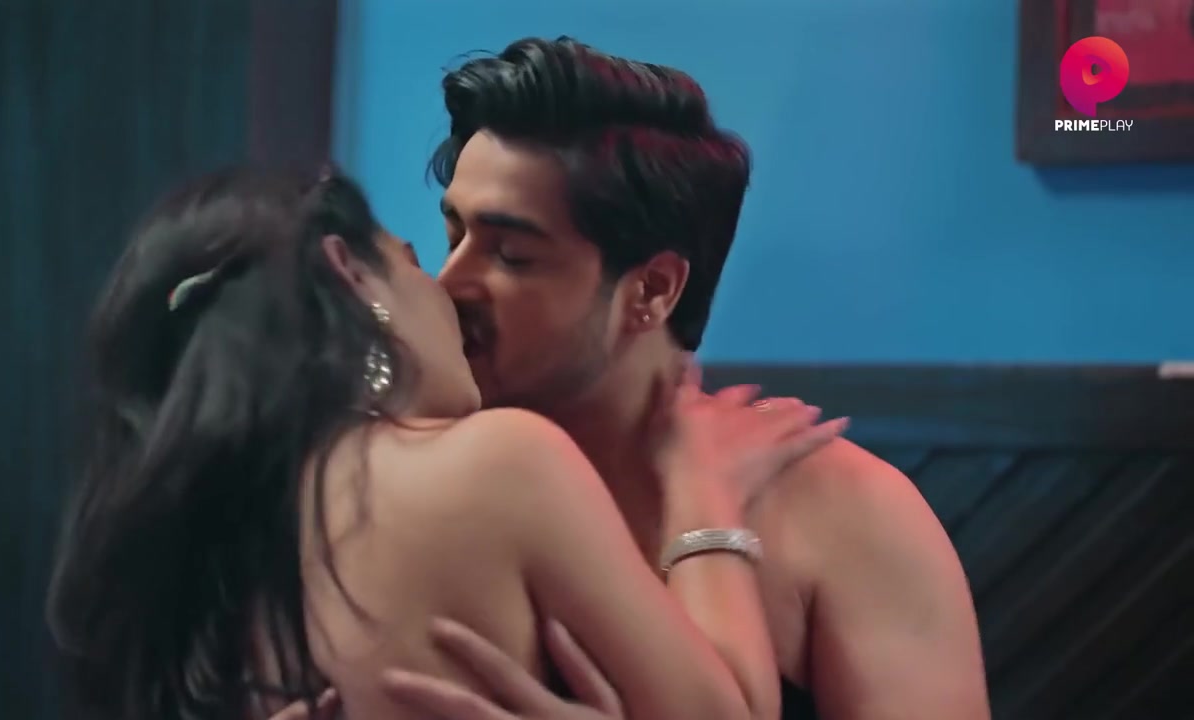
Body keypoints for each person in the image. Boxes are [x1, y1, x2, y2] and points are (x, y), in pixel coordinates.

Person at [280, 35, 991, 720]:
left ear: (652, 289)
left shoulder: (843, 512)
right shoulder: (412, 486)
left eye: (512, 256)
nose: (450, 282)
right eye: (453, 235)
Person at [45, 167, 847, 719]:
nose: (452, 290)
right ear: (350, 272)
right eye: (415, 259)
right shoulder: (495, 462)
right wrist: (702, 483)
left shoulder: (213, 551)